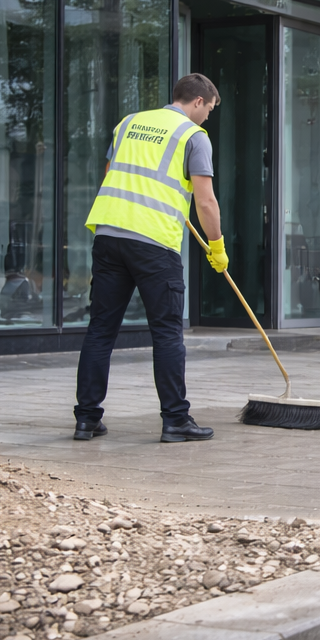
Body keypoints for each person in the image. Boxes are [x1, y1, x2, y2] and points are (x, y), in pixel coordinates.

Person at [72, 73, 230, 443]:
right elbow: (205, 201)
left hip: (109, 235)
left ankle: (86, 419)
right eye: (208, 109)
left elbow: (112, 175)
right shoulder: (194, 137)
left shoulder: (128, 123)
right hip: (154, 243)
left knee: (101, 330)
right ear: (197, 102)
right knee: (167, 332)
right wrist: (217, 246)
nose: (207, 117)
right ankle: (176, 420)